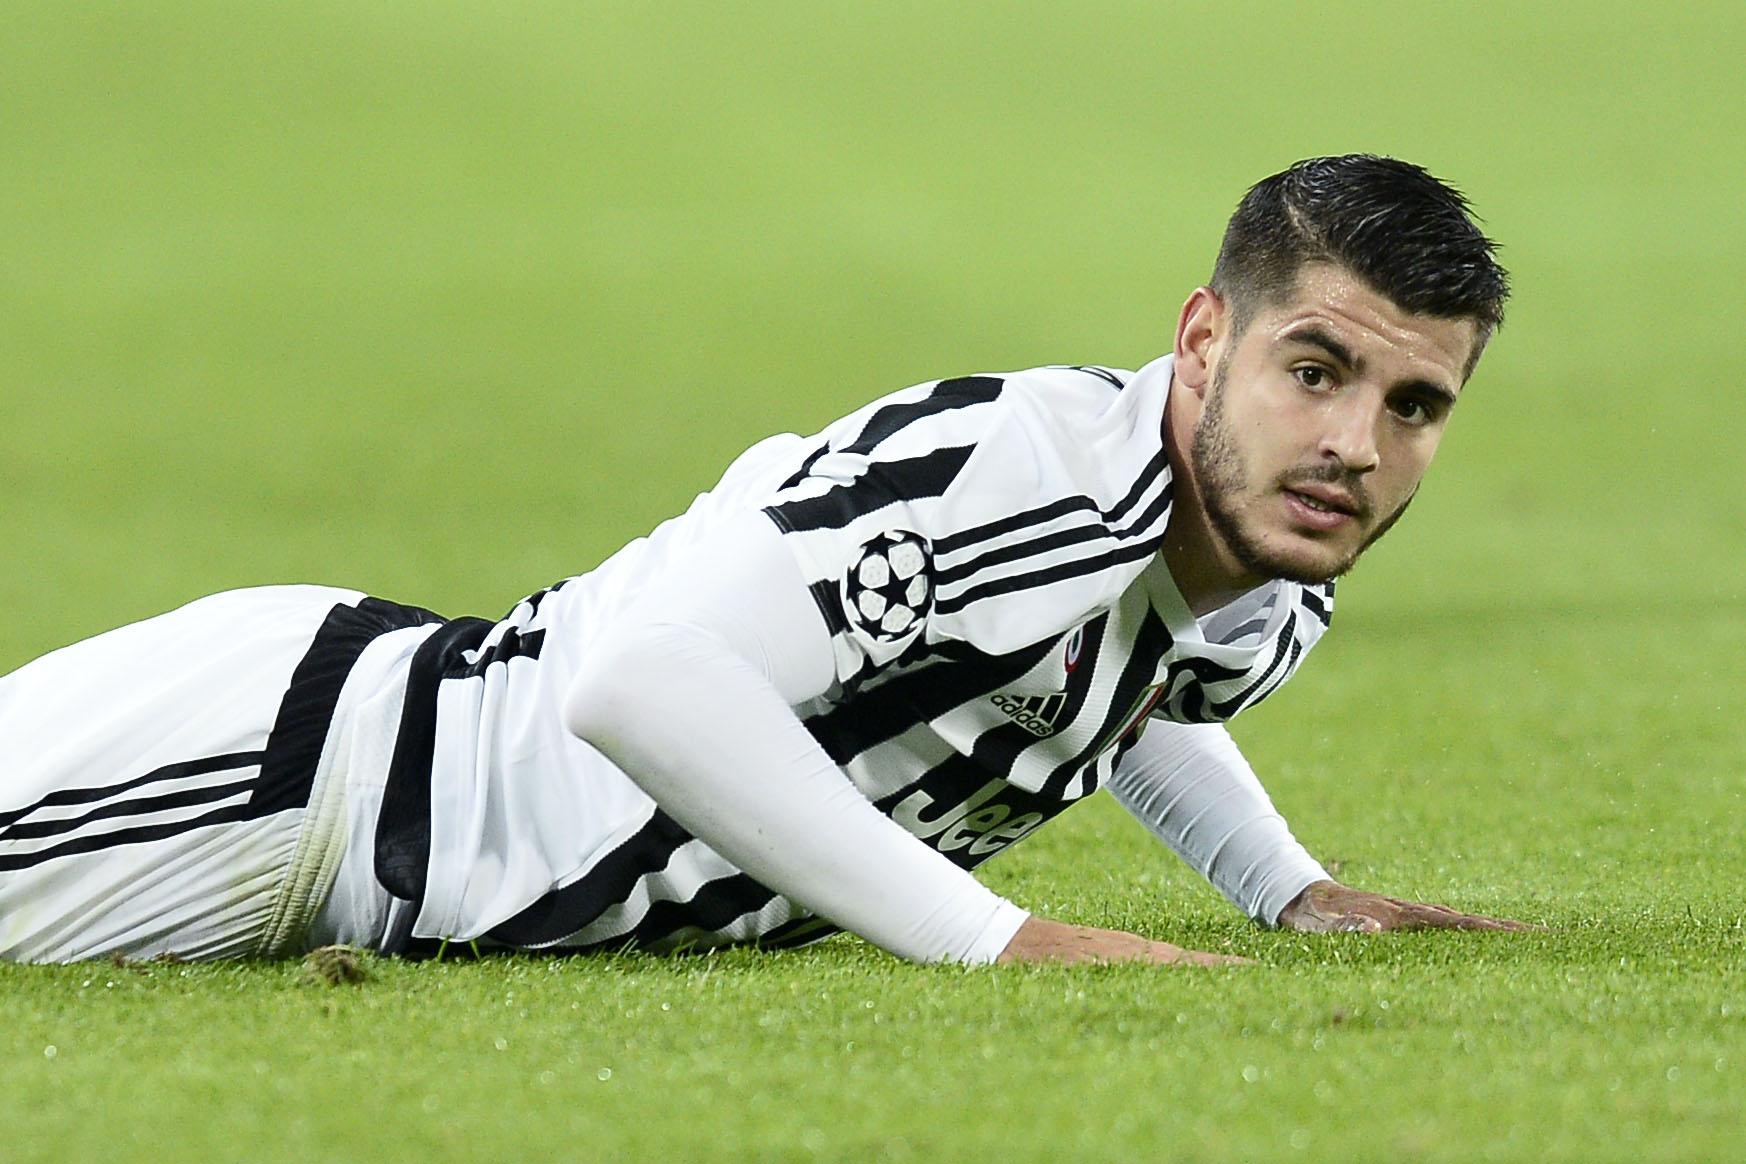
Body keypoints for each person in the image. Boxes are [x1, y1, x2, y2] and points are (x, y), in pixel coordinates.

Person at [0, 154, 1531, 966]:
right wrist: (994, 938)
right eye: (1312, 370)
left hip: (359, 849)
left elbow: (1121, 682)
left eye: (1412, 404)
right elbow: (638, 681)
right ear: (1201, 341)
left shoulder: (1264, 568)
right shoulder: (1018, 474)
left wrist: (1283, 887)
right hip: (309, 778)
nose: (1353, 443)